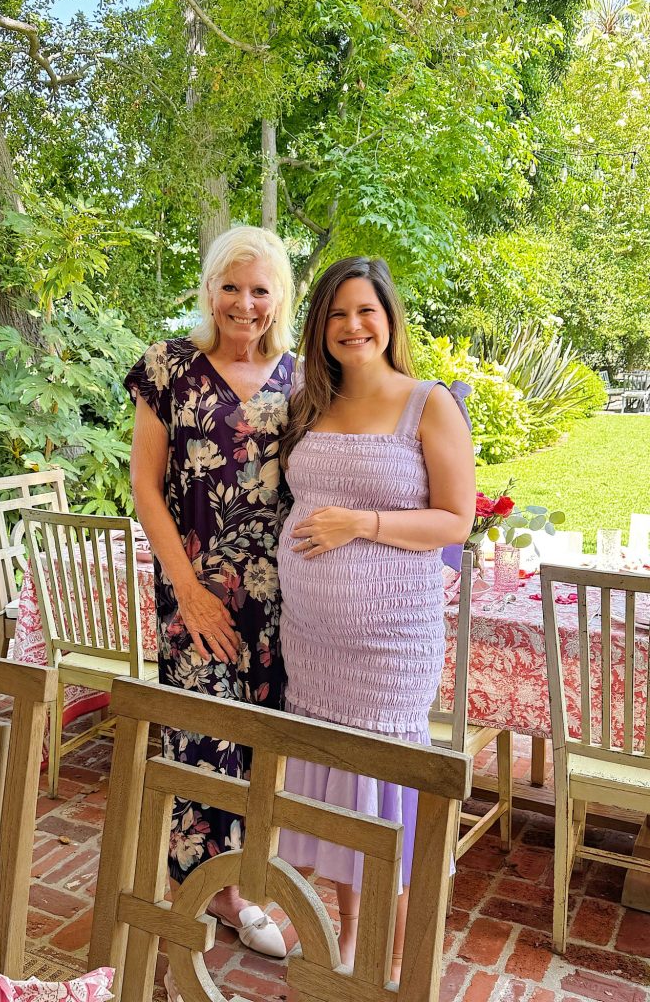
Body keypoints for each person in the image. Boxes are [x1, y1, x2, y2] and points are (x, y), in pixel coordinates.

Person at [276, 256, 475, 980]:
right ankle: (350, 935)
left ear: (389, 319)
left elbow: (456, 520)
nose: (353, 326)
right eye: (337, 314)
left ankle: (394, 954)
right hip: (313, 643)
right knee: (335, 787)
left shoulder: (428, 404)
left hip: (390, 647)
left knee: (385, 795)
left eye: (366, 311)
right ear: (320, 326)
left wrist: (360, 523)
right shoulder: (308, 402)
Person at [124, 226, 295, 998]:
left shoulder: (303, 381)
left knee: (258, 753)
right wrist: (188, 589)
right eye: (232, 286)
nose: (245, 304)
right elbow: (147, 489)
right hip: (195, 603)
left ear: (280, 298)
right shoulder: (168, 368)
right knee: (199, 751)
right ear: (210, 289)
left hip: (277, 604)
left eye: (261, 290)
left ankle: (235, 894)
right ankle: (188, 914)